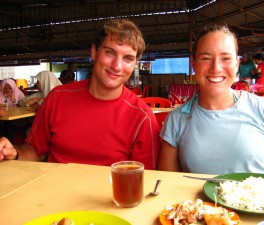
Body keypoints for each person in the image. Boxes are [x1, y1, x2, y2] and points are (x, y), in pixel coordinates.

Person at [0, 18, 160, 170]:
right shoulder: (57, 98)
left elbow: (144, 179)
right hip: (54, 195)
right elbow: (35, 151)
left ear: (134, 64)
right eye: (110, 52)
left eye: (128, 58)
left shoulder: (142, 118)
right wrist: (14, 154)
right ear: (94, 52)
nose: (117, 66)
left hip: (110, 198)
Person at [157, 23, 264, 180]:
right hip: (201, 204)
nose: (216, 68)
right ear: (193, 63)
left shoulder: (263, 109)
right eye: (205, 58)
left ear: (236, 64)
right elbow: (167, 183)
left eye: (226, 58)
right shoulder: (177, 118)